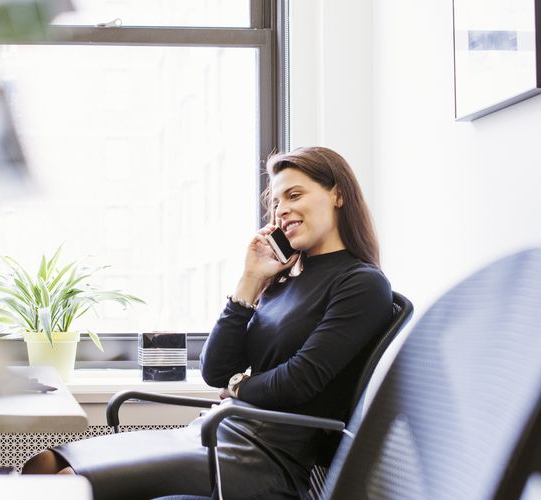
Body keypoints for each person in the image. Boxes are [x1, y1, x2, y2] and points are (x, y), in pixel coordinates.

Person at [22, 146, 393, 500]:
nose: (282, 210)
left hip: (262, 458)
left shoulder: (361, 284)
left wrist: (239, 388)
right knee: (42, 464)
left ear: (338, 195)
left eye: (294, 195)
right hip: (212, 432)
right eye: (276, 202)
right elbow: (216, 370)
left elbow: (300, 381)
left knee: (68, 485)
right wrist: (250, 281)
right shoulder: (283, 282)